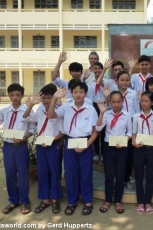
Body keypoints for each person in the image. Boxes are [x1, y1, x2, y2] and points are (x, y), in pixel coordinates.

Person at [47, 80, 98, 216]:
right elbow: (51, 115)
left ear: (85, 94)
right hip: (70, 142)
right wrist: (54, 99)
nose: (78, 95)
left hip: (85, 143)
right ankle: (73, 200)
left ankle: (88, 201)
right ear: (71, 93)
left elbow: (95, 131)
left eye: (81, 92)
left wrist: (87, 145)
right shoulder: (66, 107)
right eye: (75, 92)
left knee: (86, 174)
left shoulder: (91, 109)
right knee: (70, 174)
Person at [22, 84, 64, 214]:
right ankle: (45, 199)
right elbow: (26, 117)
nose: (46, 100)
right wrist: (31, 105)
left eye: (49, 98)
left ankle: (55, 199)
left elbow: (63, 132)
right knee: (43, 172)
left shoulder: (60, 110)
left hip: (53, 145)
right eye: (44, 98)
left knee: (54, 172)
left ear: (55, 98)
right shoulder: (40, 109)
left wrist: (53, 140)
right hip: (41, 145)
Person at [1, 83, 35, 215]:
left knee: (23, 175)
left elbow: (32, 128)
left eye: (17, 95)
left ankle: (25, 200)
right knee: (10, 175)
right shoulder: (5, 111)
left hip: (21, 146)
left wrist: (24, 137)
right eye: (12, 95)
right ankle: (13, 200)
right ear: (8, 96)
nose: (15, 97)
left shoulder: (27, 110)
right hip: (8, 147)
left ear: (22, 96)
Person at [96, 91, 132, 214]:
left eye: (119, 101)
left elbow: (130, 133)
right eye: (113, 102)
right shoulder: (106, 114)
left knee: (120, 175)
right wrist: (101, 112)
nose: (116, 104)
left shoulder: (127, 115)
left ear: (122, 102)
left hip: (122, 147)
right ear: (110, 102)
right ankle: (107, 200)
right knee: (109, 175)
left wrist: (122, 141)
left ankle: (118, 200)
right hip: (109, 147)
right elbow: (99, 128)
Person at [132, 91, 153, 215]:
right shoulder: (136, 116)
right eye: (142, 101)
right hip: (139, 148)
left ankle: (148, 201)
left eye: (146, 101)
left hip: (152, 148)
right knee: (138, 175)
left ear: (152, 102)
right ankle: (140, 201)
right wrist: (133, 142)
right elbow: (134, 132)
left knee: (150, 176)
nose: (144, 103)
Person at [116, 71, 140, 190]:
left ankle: (126, 179)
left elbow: (136, 111)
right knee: (118, 153)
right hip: (117, 125)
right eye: (122, 80)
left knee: (129, 155)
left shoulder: (133, 93)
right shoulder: (114, 94)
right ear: (117, 81)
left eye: (127, 80)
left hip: (130, 125)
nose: (124, 82)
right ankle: (118, 178)